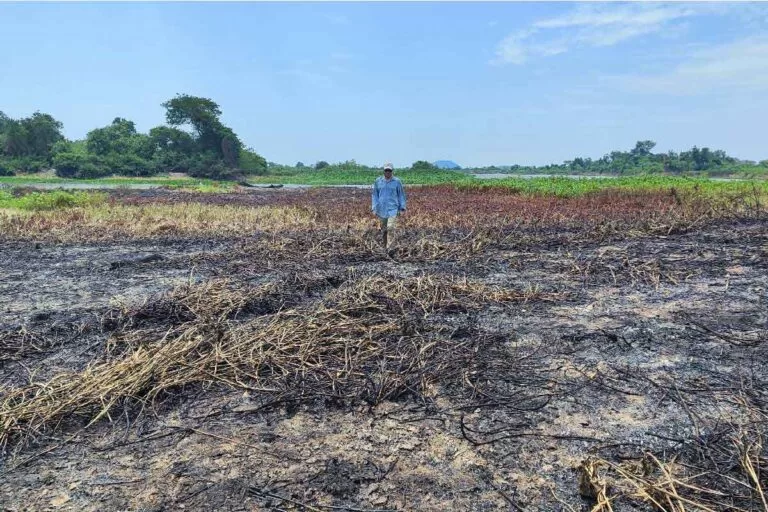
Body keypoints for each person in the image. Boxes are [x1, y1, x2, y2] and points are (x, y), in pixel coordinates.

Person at [371, 162, 406, 252]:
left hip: (393, 209)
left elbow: (401, 195)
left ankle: (390, 248)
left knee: (390, 227)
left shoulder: (397, 182)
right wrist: (374, 207)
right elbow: (375, 195)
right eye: (386, 170)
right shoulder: (378, 181)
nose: (387, 172)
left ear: (392, 171)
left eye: (389, 170)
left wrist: (402, 207)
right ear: (383, 171)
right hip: (381, 210)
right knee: (384, 230)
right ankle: (384, 247)